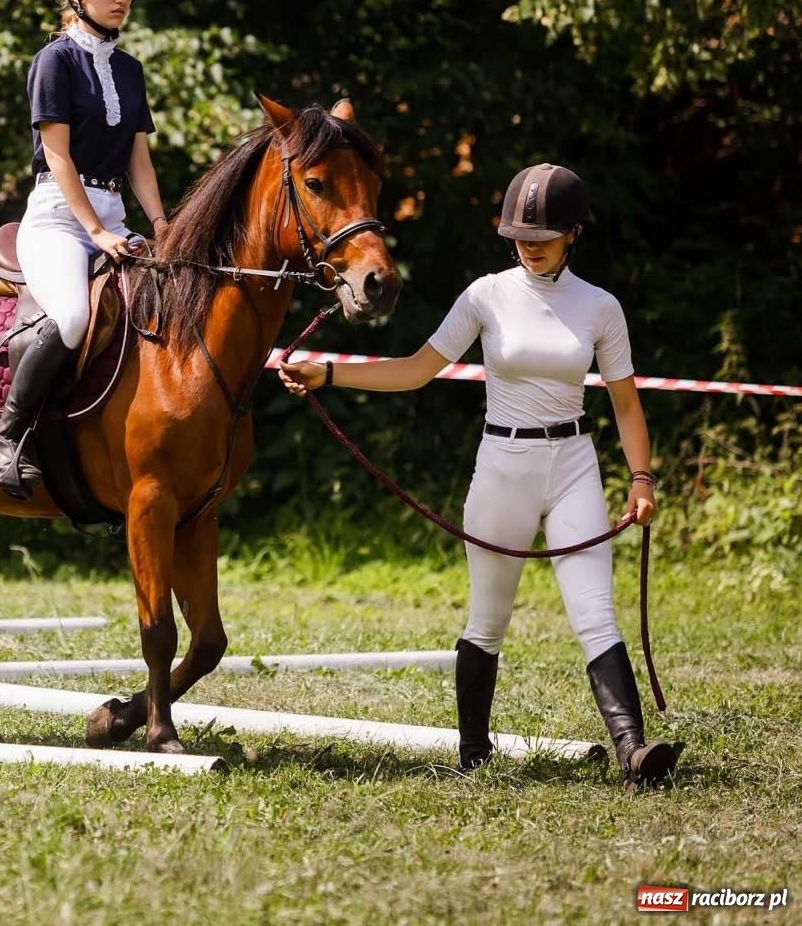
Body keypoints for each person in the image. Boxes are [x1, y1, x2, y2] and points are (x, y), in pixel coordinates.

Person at [279, 163, 678, 790]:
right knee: (488, 620)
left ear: (574, 233)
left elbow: (626, 403)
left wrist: (641, 479)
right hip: (502, 467)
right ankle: (473, 753)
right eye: (520, 234)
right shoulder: (485, 295)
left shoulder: (601, 307)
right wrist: (328, 373)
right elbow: (415, 370)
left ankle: (633, 752)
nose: (530, 245)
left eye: (543, 235)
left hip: (573, 463)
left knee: (596, 612)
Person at [0, 0, 169, 499]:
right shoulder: (54, 61)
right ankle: (6, 439)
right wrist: (94, 232)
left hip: (112, 213)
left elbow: (139, 160)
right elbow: (57, 156)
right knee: (72, 319)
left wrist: (162, 226)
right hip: (60, 217)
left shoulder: (130, 70)